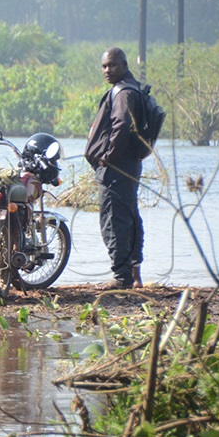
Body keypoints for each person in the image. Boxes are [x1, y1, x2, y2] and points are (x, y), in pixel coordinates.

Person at [84, 47, 144, 289]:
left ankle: (121, 277)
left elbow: (121, 125)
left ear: (124, 65)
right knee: (129, 217)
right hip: (128, 165)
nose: (107, 70)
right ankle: (134, 275)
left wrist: (107, 158)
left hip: (117, 167)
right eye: (104, 66)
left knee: (113, 219)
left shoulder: (123, 93)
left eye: (112, 65)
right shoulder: (131, 88)